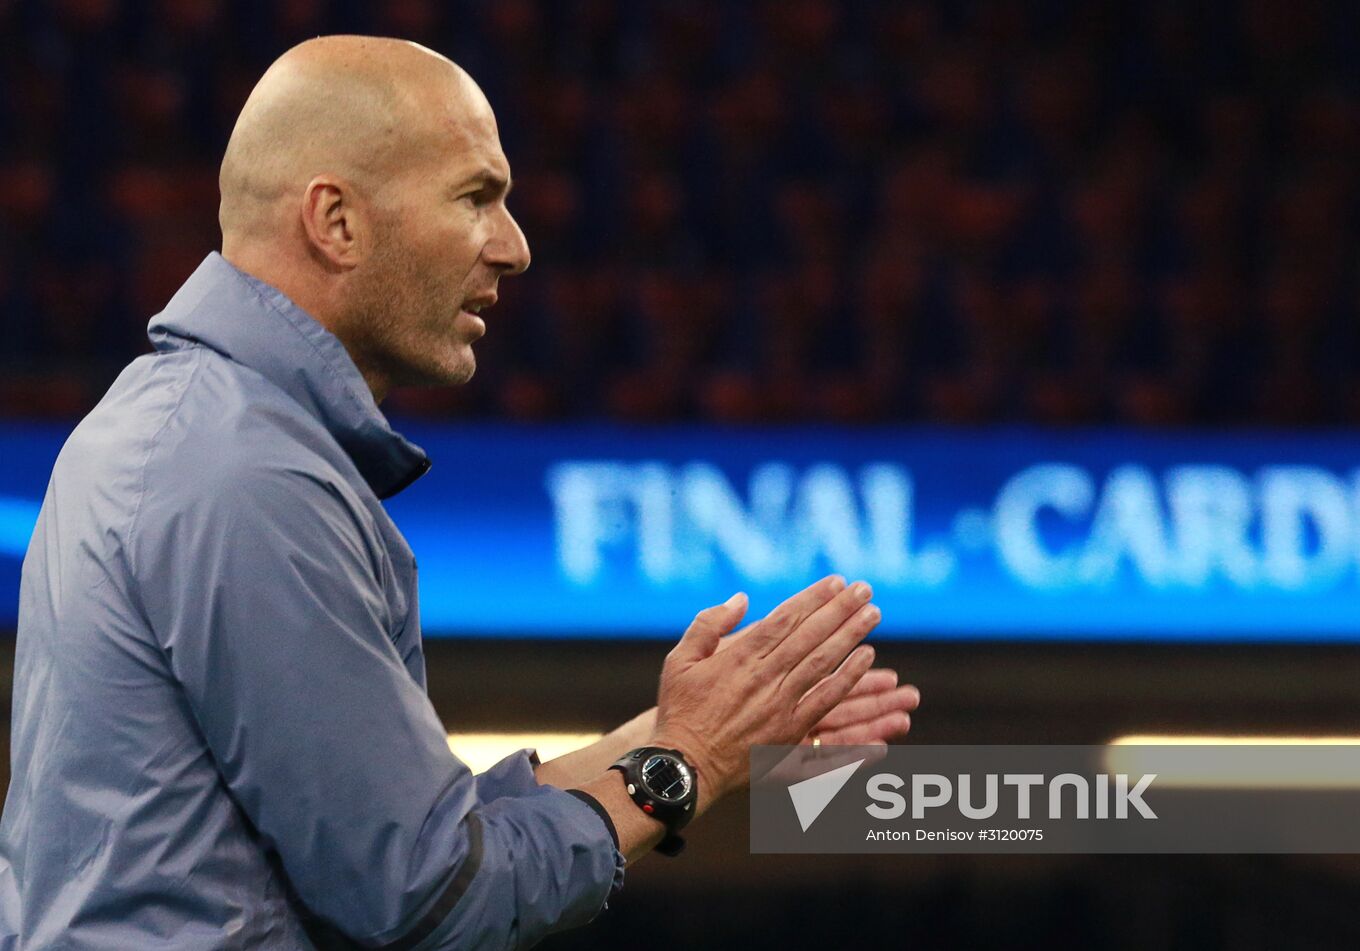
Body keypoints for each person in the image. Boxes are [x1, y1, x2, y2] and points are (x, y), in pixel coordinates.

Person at [0, 36, 919, 950]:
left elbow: (412, 832)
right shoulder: (246, 473)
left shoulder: (201, 430)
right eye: (477, 197)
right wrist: (689, 761)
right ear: (338, 222)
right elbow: (429, 894)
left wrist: (693, 723)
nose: (514, 249)